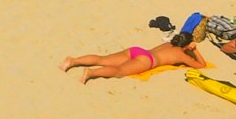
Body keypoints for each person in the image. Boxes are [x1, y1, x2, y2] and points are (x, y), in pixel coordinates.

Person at [60, 37, 208, 83]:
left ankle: (73, 61)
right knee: (119, 71)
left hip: (137, 50)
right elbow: (201, 66)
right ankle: (91, 73)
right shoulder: (180, 54)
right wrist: (195, 50)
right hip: (147, 60)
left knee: (102, 59)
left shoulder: (169, 44)